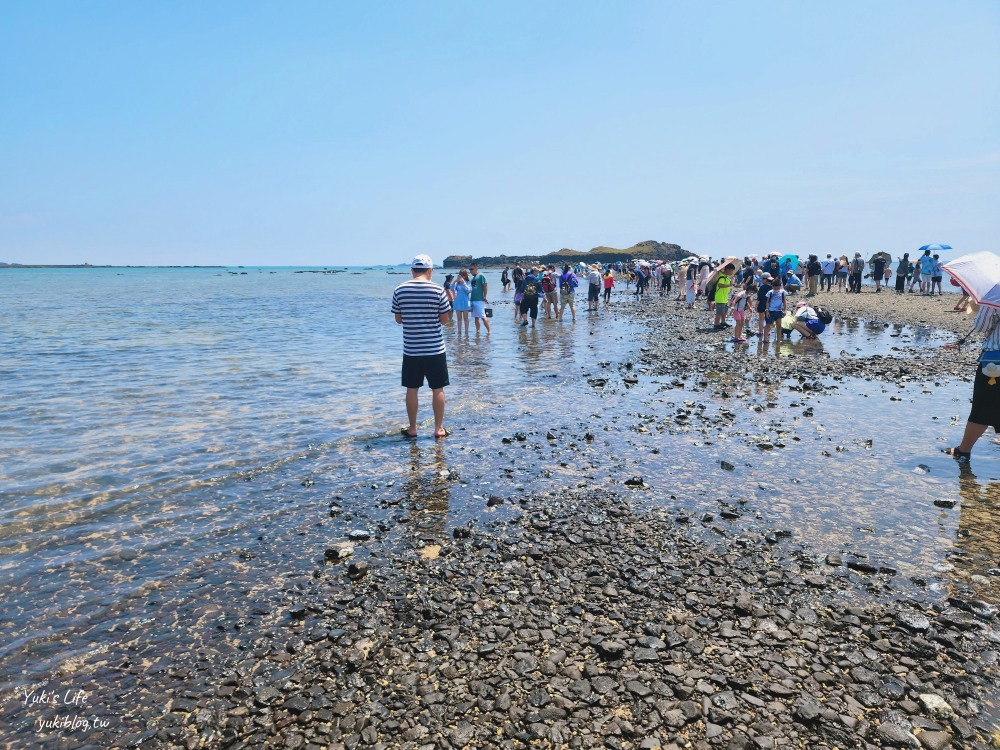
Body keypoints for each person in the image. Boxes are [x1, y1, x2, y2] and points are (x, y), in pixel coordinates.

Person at [391, 254, 452, 439]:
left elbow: (398, 319)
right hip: (435, 349)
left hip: (411, 350)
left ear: (412, 270)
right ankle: (439, 428)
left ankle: (412, 428)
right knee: (438, 389)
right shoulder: (438, 290)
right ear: (431, 270)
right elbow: (444, 320)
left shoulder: (400, 290)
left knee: (412, 389)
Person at [943, 303, 1000, 459]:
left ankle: (964, 449)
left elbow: (982, 325)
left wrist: (980, 307)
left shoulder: (996, 295)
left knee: (983, 406)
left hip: (995, 361)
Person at [468, 261, 491, 334]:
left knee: (483, 316)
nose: (470, 271)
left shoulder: (481, 276)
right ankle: (477, 331)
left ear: (476, 268)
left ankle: (489, 332)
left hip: (479, 300)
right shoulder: (472, 278)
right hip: (473, 299)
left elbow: (485, 286)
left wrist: (485, 296)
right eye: (470, 269)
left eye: (472, 269)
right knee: (476, 317)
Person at [763, 277, 787, 343]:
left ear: (780, 286)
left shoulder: (783, 292)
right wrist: (767, 310)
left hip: (779, 311)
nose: (776, 289)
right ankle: (765, 339)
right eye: (775, 288)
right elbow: (767, 302)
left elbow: (784, 301)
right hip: (770, 311)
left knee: (779, 325)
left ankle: (778, 340)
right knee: (768, 324)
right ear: (772, 286)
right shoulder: (770, 292)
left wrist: (785, 310)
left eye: (778, 288)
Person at [713, 263, 734, 329]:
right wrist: (729, 285)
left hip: (724, 297)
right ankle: (716, 324)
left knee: (724, 311)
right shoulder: (722, 277)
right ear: (728, 269)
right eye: (732, 270)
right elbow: (720, 285)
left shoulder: (726, 277)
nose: (732, 272)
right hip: (720, 297)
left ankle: (723, 322)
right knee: (719, 312)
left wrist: (731, 283)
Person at [451, 269, 471, 335]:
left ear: (465, 276)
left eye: (462, 275)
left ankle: (466, 333)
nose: (461, 277)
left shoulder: (468, 282)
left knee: (466, 319)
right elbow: (451, 289)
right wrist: (455, 281)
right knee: (459, 319)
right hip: (458, 302)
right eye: (460, 275)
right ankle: (459, 332)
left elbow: (469, 290)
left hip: (465, 302)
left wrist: (464, 283)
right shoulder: (457, 283)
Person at [756, 273, 773, 338]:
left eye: (762, 279)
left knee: (761, 319)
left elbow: (759, 298)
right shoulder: (772, 287)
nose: (761, 280)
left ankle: (760, 331)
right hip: (770, 305)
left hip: (762, 304)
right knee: (769, 319)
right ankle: (768, 331)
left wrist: (756, 305)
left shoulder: (762, 287)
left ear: (765, 279)